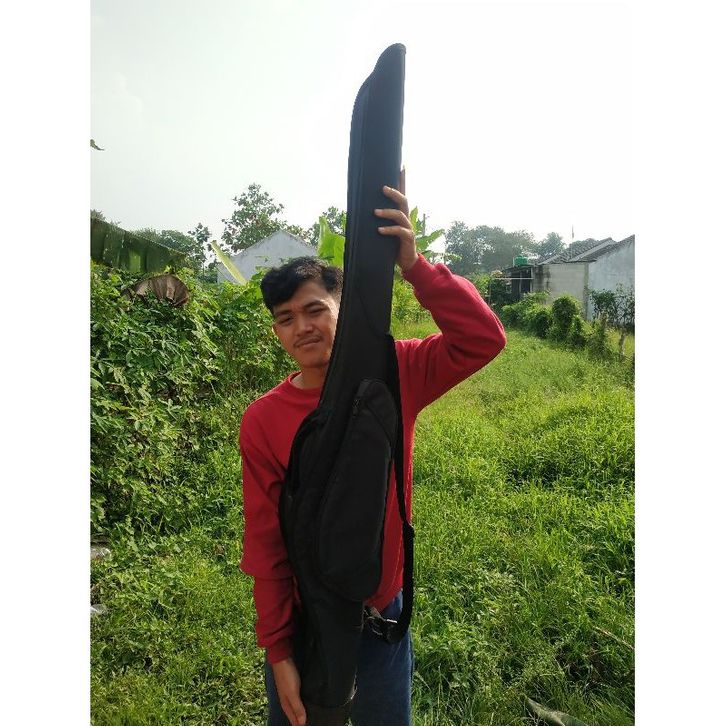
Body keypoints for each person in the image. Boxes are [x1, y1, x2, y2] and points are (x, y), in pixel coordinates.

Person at [239, 181, 507, 725]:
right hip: (308, 617)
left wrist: (415, 267)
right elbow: (266, 543)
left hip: (381, 612)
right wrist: (278, 651)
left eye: (315, 309)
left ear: (344, 307)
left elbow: (483, 338)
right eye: (285, 318)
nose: (302, 327)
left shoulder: (396, 371)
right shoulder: (264, 419)